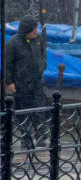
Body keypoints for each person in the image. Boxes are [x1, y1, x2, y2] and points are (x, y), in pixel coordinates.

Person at [3, 16, 46, 149]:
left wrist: (42, 65)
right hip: (21, 83)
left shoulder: (38, 40)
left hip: (37, 82)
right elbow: (7, 65)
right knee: (23, 111)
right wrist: (9, 82)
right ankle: (25, 138)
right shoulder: (12, 43)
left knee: (39, 110)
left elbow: (43, 54)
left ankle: (41, 137)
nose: (35, 31)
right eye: (33, 29)